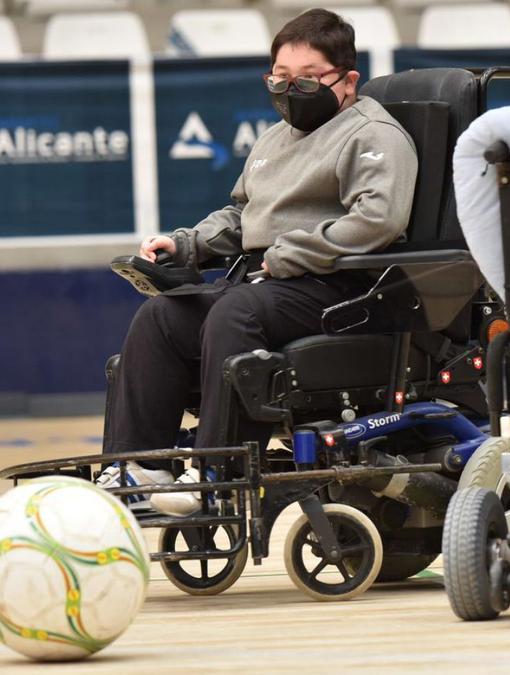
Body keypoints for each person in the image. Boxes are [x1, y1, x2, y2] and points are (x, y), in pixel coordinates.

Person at [97, 9, 418, 516]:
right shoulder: (275, 138)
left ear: (348, 80)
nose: (292, 91)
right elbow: (245, 214)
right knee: (163, 315)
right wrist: (186, 245)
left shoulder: (374, 134)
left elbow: (378, 219)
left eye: (308, 79)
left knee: (235, 313)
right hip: (267, 284)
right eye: (281, 79)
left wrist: (289, 254)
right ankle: (138, 468)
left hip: (344, 289)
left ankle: (216, 472)